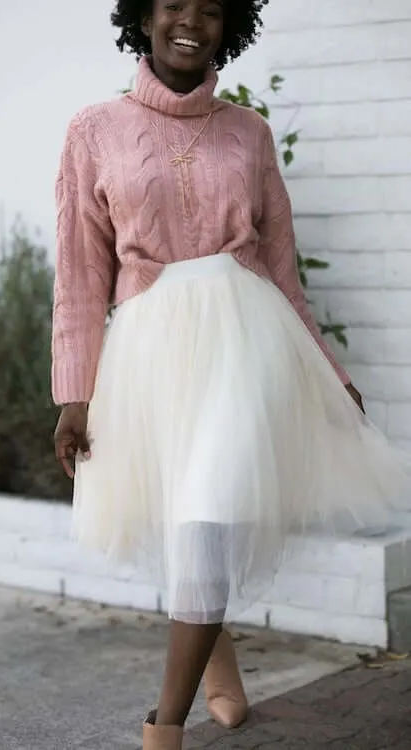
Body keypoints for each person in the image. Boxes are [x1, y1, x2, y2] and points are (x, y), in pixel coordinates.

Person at [52, 1, 410, 747]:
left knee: (210, 510)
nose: (192, 22)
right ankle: (219, 664)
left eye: (210, 10)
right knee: (186, 516)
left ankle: (164, 728)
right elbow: (81, 276)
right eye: (174, 5)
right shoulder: (93, 130)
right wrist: (74, 394)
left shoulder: (250, 131)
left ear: (231, 25)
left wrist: (329, 371)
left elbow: (281, 269)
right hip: (150, 350)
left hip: (249, 345)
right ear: (143, 18)